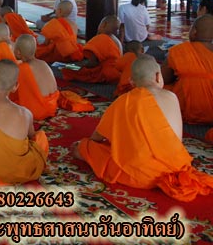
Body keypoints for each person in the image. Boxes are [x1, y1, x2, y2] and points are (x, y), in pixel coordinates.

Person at [74, 55, 213, 202]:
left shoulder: (123, 101)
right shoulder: (172, 97)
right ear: (158, 76)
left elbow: (96, 137)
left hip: (139, 175)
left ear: (131, 82)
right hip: (174, 167)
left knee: (82, 147)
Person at [161, 14, 213, 124]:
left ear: (194, 32)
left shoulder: (179, 50)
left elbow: (163, 79)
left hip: (185, 110)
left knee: (155, 87)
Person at [11, 34, 59, 120]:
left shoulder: (22, 68)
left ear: (18, 52)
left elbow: (10, 88)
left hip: (38, 111)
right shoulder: (43, 63)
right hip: (52, 106)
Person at [62, 15, 122, 83]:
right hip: (117, 72)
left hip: (105, 73)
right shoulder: (117, 41)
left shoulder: (101, 38)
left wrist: (77, 65)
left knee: (67, 69)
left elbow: (92, 63)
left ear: (104, 24)